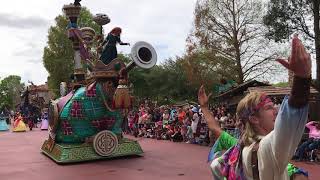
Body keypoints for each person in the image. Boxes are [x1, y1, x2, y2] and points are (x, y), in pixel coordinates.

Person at [198, 34, 311, 179]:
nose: (276, 110)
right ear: (254, 118)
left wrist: (204, 107)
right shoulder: (268, 149)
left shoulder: (235, 149)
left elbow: (215, 128)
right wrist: (302, 78)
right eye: (269, 107)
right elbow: (289, 123)